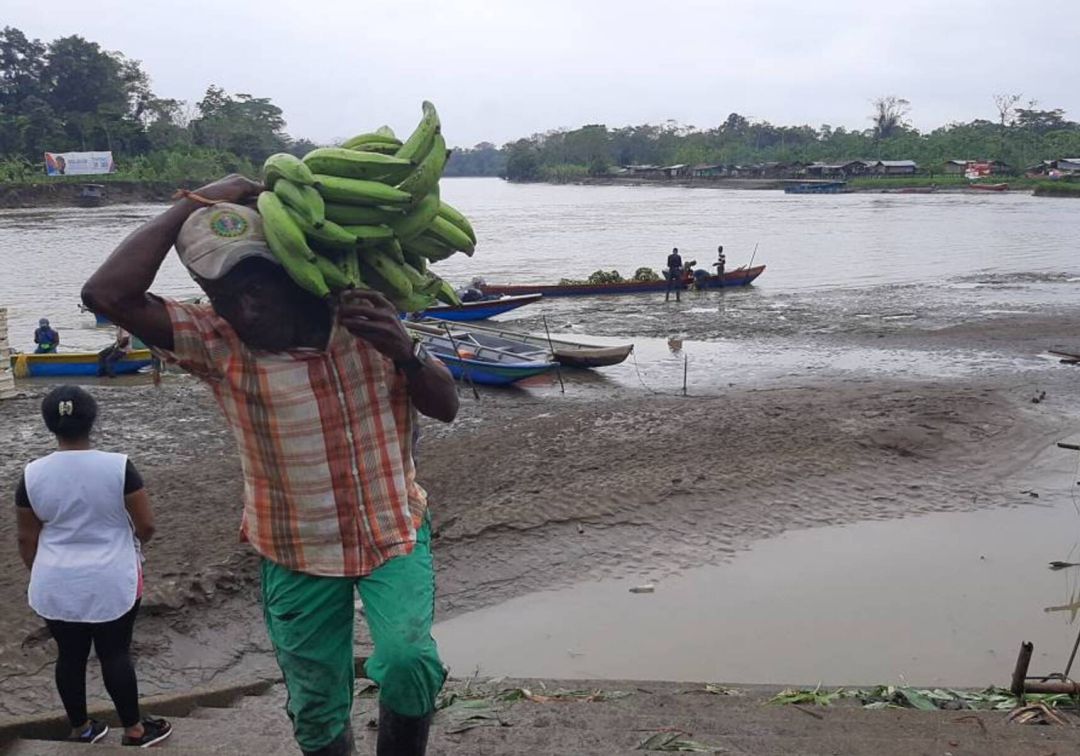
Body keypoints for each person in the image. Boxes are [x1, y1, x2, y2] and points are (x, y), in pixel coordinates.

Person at [81, 175, 459, 756]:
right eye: (225, 293)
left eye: (257, 286)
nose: (242, 307)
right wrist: (191, 202)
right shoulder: (217, 342)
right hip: (293, 548)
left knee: (410, 661)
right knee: (314, 702)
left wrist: (404, 351)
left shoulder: (365, 320)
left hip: (393, 529)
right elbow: (107, 295)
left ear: (298, 274)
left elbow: (446, 405)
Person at [15, 385, 171, 747]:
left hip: (54, 578)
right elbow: (146, 525)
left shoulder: (31, 474)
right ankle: (134, 730)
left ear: (49, 424)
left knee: (69, 655)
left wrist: (40, 570)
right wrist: (128, 544)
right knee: (115, 651)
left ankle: (82, 728)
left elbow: (27, 538)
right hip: (111, 576)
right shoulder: (119, 466)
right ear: (93, 419)